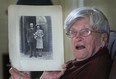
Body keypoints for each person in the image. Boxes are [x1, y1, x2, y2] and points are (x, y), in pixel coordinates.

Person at [9, 7, 112, 79]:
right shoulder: (76, 64)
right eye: (73, 32)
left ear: (103, 38)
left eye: (85, 31)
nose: (77, 37)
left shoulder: (96, 69)